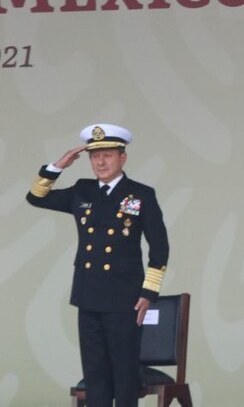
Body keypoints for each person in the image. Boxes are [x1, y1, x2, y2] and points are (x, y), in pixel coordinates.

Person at [25, 123, 170, 407]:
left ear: (122, 157)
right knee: (95, 375)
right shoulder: (83, 190)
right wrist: (57, 166)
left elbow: (160, 247)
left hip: (124, 297)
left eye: (108, 155)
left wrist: (148, 292)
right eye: (95, 156)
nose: (101, 162)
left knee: (125, 375)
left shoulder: (140, 194)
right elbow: (35, 197)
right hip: (88, 294)